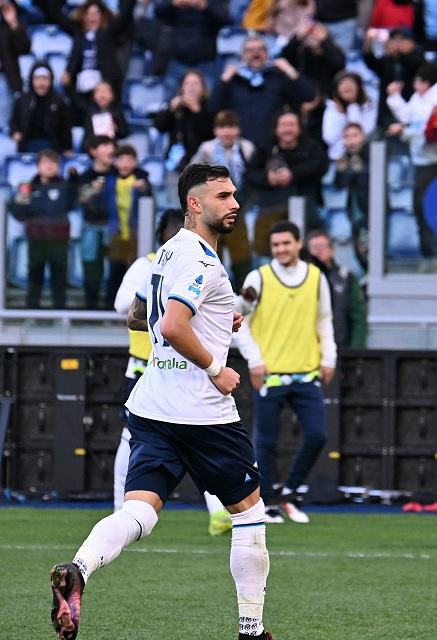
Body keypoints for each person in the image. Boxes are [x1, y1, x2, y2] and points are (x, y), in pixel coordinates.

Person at [49, 163, 275, 640]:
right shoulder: (201, 261)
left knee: (139, 513)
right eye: (223, 196)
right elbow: (171, 325)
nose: (234, 204)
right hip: (202, 412)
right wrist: (216, 368)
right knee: (249, 514)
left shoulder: (168, 250)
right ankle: (252, 630)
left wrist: (216, 319)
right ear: (194, 203)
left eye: (234, 195)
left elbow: (139, 315)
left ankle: (78, 569)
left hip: (152, 407)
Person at [113, 207, 232, 536]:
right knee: (132, 439)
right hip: (147, 365)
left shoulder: (202, 262)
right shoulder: (151, 263)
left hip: (188, 365)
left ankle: (218, 510)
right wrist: (172, 308)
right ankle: (122, 509)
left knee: (196, 437)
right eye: (172, 229)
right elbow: (124, 306)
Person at [235, 220, 336, 524]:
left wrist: (329, 357)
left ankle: (289, 493)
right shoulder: (259, 278)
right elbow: (239, 320)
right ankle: (266, 502)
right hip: (271, 374)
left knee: (318, 435)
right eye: (276, 245)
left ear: (298, 244)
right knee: (266, 442)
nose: (281, 249)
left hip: (306, 372)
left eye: (286, 243)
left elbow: (324, 320)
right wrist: (254, 360)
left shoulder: (316, 277)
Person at [244, 108, 329, 259]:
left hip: (306, 208)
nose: (287, 129)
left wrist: (293, 174)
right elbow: (250, 174)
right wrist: (267, 178)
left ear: (299, 128)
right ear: (275, 129)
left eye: (291, 125)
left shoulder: (311, 147)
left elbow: (321, 165)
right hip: (270, 208)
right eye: (283, 125)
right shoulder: (264, 148)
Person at [34, 0, 136, 123]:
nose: (92, 17)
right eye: (88, 14)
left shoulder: (108, 33)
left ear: (102, 16)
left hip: (103, 90)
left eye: (96, 14)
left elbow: (125, 14)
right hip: (79, 92)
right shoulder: (78, 32)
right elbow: (55, 13)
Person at [208, 34, 316, 149]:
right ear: (242, 56)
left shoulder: (278, 77)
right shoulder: (234, 80)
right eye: (250, 50)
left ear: (267, 54)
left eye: (261, 49)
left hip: (272, 146)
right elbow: (212, 108)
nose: (256, 53)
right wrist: (224, 80)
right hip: (240, 146)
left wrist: (289, 69)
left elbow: (308, 95)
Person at [190, 109, 256, 291]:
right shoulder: (207, 148)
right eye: (222, 127)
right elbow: (192, 173)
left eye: (231, 127)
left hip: (239, 210)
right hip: (212, 212)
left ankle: (242, 294)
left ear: (238, 129)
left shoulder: (247, 148)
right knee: (212, 255)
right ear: (215, 130)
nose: (227, 132)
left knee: (241, 256)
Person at [9, 148, 76, 309]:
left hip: (59, 241)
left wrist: (75, 181)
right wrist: (18, 201)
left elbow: (75, 204)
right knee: (34, 277)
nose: (49, 166)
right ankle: (31, 312)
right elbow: (19, 214)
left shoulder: (66, 186)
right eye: (45, 162)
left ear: (58, 166)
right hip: (36, 240)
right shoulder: (28, 187)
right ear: (37, 166)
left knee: (59, 278)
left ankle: (60, 313)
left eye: (53, 162)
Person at [386, 62, 437, 271]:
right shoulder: (418, 97)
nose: (415, 85)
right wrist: (394, 98)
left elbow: (430, 134)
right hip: (421, 161)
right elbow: (409, 117)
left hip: (433, 161)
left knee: (428, 208)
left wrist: (403, 132)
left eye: (419, 81)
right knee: (420, 207)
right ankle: (429, 254)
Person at [153, 69, 214, 205]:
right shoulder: (175, 108)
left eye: (195, 83)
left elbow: (211, 133)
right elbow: (159, 126)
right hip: (176, 164)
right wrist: (170, 109)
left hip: (201, 166)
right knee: (176, 203)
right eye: (187, 83)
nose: (191, 87)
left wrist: (197, 110)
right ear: (181, 88)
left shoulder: (209, 106)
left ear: (203, 88)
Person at [104, 143, 153, 307]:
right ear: (115, 162)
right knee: (115, 272)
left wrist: (144, 188)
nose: (125, 164)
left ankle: (135, 308)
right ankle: (110, 307)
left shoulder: (142, 181)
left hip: (135, 235)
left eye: (129, 160)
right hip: (116, 234)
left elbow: (150, 200)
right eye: (121, 160)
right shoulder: (109, 181)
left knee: (134, 272)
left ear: (136, 162)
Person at [154, 0, 230, 101]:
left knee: (209, 101)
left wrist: (205, 6)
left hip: (205, 63)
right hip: (178, 61)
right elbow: (157, 12)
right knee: (168, 101)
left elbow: (226, 20)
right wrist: (175, 3)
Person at [306, 229, 368, 348]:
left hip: (340, 348)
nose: (318, 251)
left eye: (322, 246)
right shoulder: (300, 279)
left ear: (332, 250)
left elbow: (358, 319)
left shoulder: (346, 278)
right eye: (314, 247)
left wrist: (355, 351)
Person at [362, 26, 427, 134]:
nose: (397, 44)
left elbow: (422, 68)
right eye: (394, 40)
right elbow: (371, 62)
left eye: (401, 39)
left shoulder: (418, 57)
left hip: (409, 110)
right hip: (386, 113)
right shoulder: (387, 60)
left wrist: (404, 54)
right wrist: (368, 43)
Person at [78, 134, 117, 309]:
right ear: (94, 151)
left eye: (112, 145)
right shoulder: (85, 176)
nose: (111, 149)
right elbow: (79, 200)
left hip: (115, 228)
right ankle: (91, 307)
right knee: (91, 269)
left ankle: (112, 309)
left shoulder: (119, 173)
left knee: (116, 269)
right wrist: (91, 191)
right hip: (91, 227)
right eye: (106, 145)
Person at [9, 61, 73, 155]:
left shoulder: (59, 101)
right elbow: (14, 120)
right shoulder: (22, 100)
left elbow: (65, 127)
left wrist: (68, 147)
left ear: (51, 81)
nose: (41, 83)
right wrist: (15, 132)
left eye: (45, 79)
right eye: (38, 79)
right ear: (32, 80)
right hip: (27, 144)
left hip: (52, 146)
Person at [333, 122, 371, 269]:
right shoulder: (344, 159)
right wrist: (343, 171)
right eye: (347, 136)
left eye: (355, 135)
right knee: (359, 246)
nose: (351, 140)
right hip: (355, 211)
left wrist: (360, 171)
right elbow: (339, 185)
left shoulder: (373, 154)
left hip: (372, 210)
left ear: (363, 137)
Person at [322, 70, 378, 160]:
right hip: (338, 157)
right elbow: (329, 137)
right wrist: (340, 115)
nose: (346, 86)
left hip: (365, 155)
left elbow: (364, 131)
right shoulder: (332, 109)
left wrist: (352, 106)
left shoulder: (368, 105)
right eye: (342, 83)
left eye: (351, 83)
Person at [0, 0, 31, 130]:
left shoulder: (9, 20)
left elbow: (24, 48)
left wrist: (13, 24)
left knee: (4, 124)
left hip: (4, 78)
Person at [77, 80, 130, 146]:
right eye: (98, 91)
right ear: (93, 96)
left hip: (111, 146)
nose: (102, 94)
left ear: (113, 95)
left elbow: (125, 131)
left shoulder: (117, 111)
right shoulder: (89, 111)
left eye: (105, 91)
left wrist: (116, 128)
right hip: (92, 147)